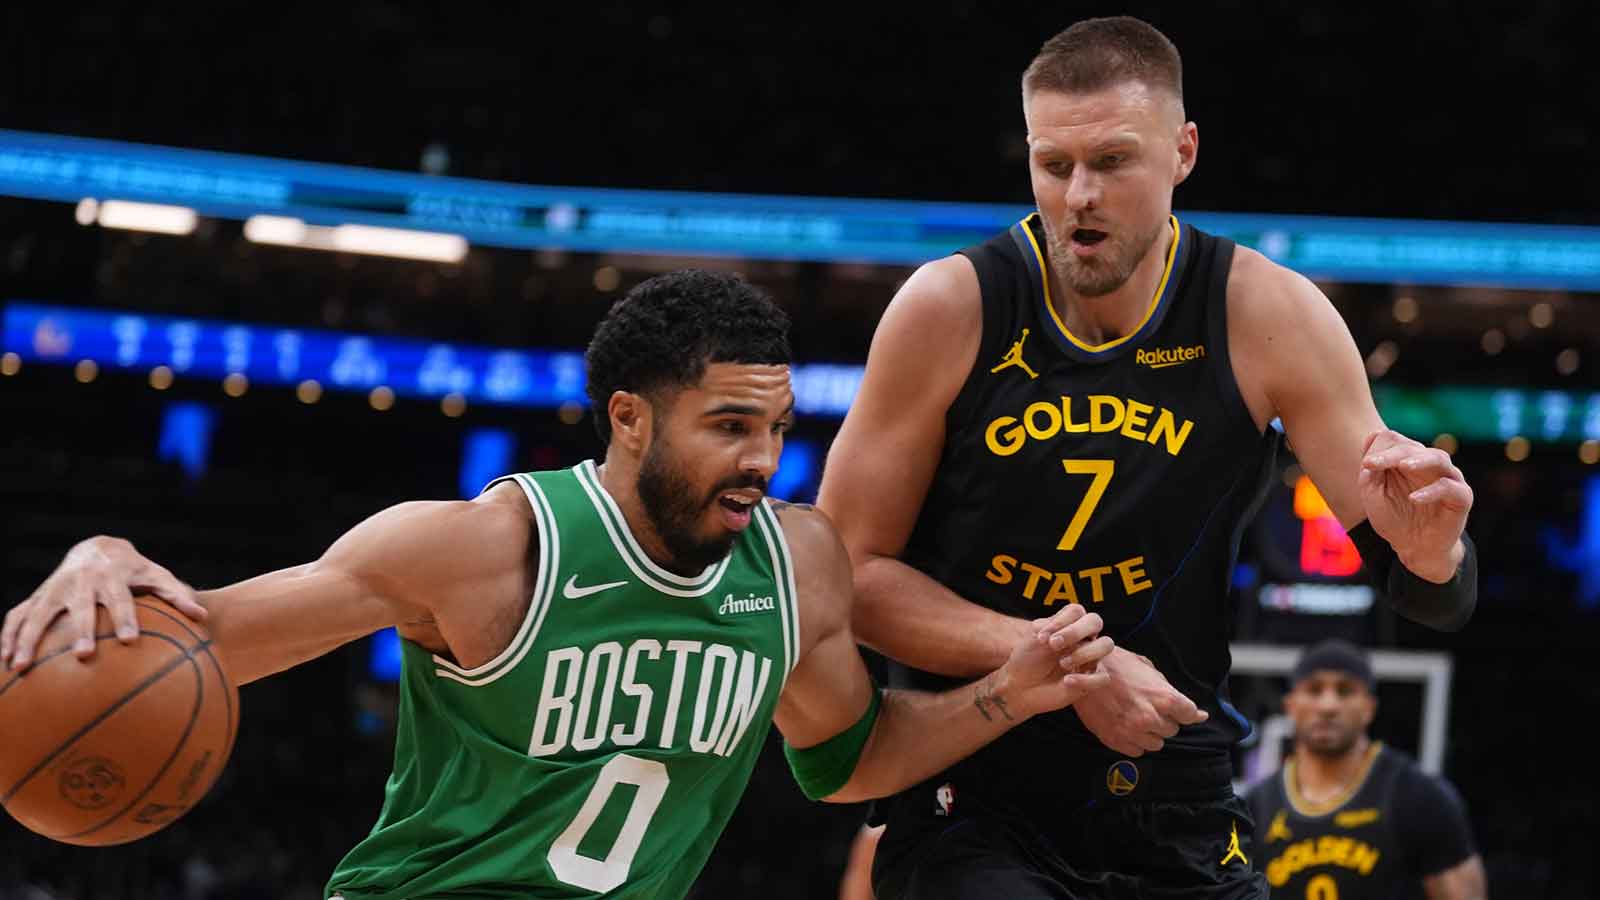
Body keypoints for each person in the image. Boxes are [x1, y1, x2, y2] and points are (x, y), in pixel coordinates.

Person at [0, 270, 1117, 899]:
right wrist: (105, 557)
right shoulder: (483, 548)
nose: (761, 459)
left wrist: (1007, 693)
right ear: (629, 418)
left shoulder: (800, 564)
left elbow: (848, 758)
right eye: (729, 427)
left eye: (776, 428)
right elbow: (208, 645)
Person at [815, 16, 1478, 900]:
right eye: (1054, 165)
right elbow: (845, 576)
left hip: (1176, 781)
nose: (1078, 195)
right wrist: (1066, 661)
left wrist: (1432, 553)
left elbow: (1430, 594)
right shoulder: (951, 306)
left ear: (1184, 152)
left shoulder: (1267, 314)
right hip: (974, 783)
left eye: (1113, 162)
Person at [1244, 640, 1487, 899]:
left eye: (1345, 691)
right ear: (1291, 706)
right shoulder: (1256, 806)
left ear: (1369, 708)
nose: (1328, 706)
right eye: (1314, 690)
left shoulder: (1420, 796)